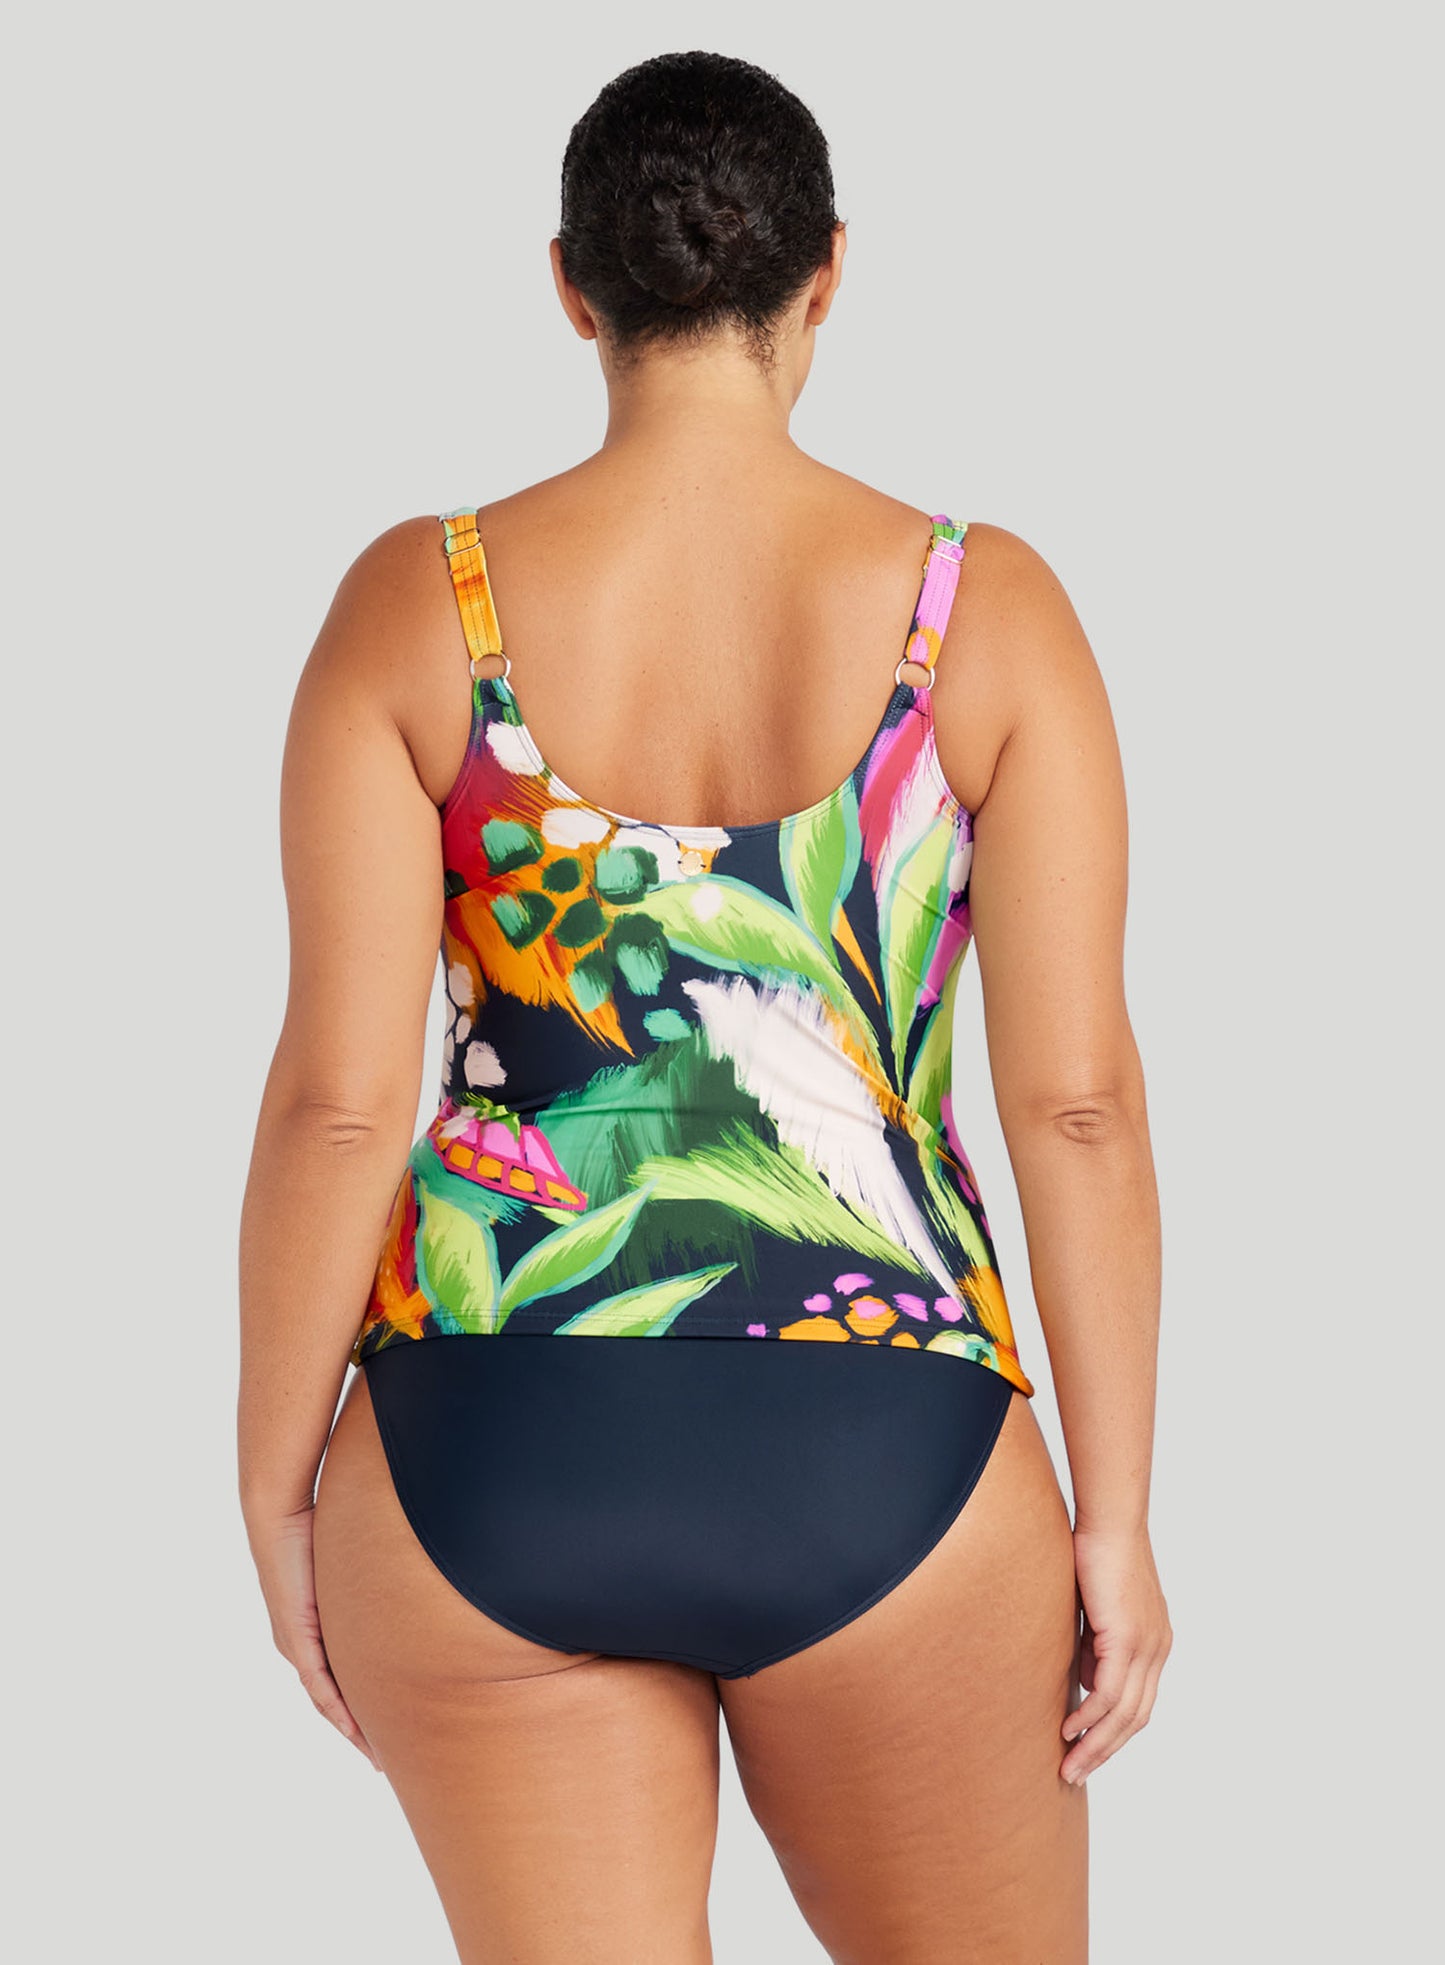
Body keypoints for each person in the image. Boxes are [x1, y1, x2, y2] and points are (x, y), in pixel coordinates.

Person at [238, 48, 1170, 1964]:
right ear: (826, 275)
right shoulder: (981, 610)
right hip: (889, 1442)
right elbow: (1074, 1103)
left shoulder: (420, 603)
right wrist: (1117, 1515)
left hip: (482, 1436)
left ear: (568, 288)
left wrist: (275, 1479)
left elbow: (337, 1101)